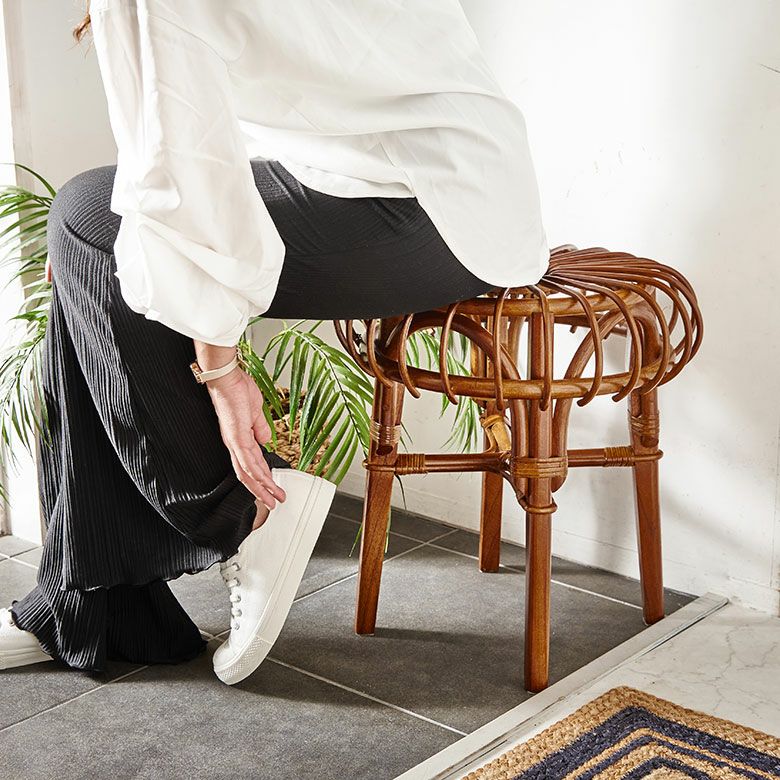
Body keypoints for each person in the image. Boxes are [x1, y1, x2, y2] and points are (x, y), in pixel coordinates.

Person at [0, 0, 548, 685]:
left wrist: (220, 370)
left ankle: (247, 515)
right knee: (91, 228)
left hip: (415, 210)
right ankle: (98, 608)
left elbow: (188, 164)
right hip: (459, 185)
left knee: (88, 224)